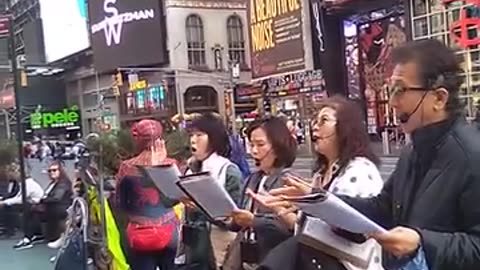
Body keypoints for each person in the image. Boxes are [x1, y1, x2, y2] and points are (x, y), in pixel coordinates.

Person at [269, 39, 480, 270]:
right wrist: (317, 200)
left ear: (439, 98)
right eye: (391, 91)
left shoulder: (471, 156)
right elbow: (382, 208)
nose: (392, 102)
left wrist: (422, 242)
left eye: (400, 90)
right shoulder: (413, 151)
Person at [251, 96, 385, 270]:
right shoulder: (320, 175)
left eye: (324, 120)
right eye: (315, 120)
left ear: (345, 127)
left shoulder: (359, 169)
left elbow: (349, 231)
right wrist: (282, 210)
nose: (315, 126)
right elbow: (313, 232)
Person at [223, 116, 298, 269]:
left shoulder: (289, 181)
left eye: (260, 144)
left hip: (274, 259)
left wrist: (254, 221)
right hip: (245, 257)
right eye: (251, 145)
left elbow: (291, 228)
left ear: (277, 147)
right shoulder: (253, 178)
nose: (255, 151)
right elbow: (236, 222)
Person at [116, 119, 181, 270]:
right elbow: (176, 198)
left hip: (139, 236)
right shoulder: (171, 164)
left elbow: (120, 203)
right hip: (169, 232)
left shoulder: (126, 167)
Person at [180, 113, 243, 270]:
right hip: (192, 247)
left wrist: (201, 208)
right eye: (191, 135)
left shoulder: (228, 171)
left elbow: (234, 219)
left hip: (215, 251)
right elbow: (167, 201)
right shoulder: (190, 169)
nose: (193, 140)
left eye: (199, 135)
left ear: (214, 139)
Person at [14, 160, 73, 250]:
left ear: (60, 171)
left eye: (54, 170)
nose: (51, 173)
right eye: (49, 171)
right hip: (53, 207)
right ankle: (34, 234)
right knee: (31, 208)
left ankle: (28, 238)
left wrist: (42, 200)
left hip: (60, 208)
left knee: (32, 209)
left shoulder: (63, 183)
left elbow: (57, 198)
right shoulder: (54, 183)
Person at [0, 163, 44, 238]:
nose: (13, 174)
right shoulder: (24, 183)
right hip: (30, 204)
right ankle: (7, 229)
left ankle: (10, 230)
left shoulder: (28, 184)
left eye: (15, 172)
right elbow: (18, 197)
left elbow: (20, 199)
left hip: (36, 205)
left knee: (9, 207)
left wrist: (4, 202)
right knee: (8, 206)